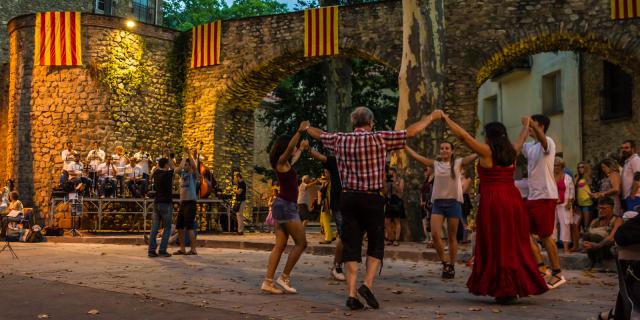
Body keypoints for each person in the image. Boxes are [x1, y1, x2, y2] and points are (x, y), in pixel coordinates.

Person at [305, 106, 442, 310]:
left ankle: (351, 293)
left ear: (354, 123)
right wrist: (431, 117)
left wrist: (307, 127)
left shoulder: (340, 139)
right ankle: (367, 284)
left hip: (348, 197)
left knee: (351, 244)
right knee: (376, 243)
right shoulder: (380, 138)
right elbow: (411, 132)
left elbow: (320, 134)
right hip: (372, 198)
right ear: (371, 122)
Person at [441, 113, 548, 303]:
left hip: (494, 201)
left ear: (489, 136)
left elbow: (463, 136)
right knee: (513, 243)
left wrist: (446, 119)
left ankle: (503, 288)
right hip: (513, 200)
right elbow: (522, 137)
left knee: (495, 242)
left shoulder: (486, 151)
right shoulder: (512, 150)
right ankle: (514, 285)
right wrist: (526, 125)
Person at [404, 143, 477, 279]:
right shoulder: (435, 164)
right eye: (442, 148)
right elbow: (417, 156)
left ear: (451, 151)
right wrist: (405, 146)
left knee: (451, 237)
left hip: (453, 203)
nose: (444, 150)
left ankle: (451, 265)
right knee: (436, 235)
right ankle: (445, 261)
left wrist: (486, 147)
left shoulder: (458, 163)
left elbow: (474, 155)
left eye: (447, 148)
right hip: (438, 203)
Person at [261, 124, 309, 295]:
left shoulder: (284, 163)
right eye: (292, 145)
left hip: (281, 205)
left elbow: (293, 156)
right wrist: (299, 130)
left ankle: (268, 282)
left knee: (280, 246)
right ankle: (284, 277)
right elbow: (290, 149)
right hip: (286, 206)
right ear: (284, 147)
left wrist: (301, 149)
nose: (294, 148)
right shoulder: (281, 161)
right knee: (302, 243)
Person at [522, 114, 565, 289]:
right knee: (522, 231)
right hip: (532, 196)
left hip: (546, 196)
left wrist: (529, 122)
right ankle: (540, 266)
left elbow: (541, 137)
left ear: (541, 126)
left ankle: (558, 273)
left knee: (545, 235)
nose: (530, 127)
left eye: (533, 125)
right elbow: (516, 147)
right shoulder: (529, 146)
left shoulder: (548, 142)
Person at [308, 147, 346, 281]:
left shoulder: (357, 162)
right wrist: (307, 148)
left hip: (355, 202)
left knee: (351, 236)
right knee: (344, 235)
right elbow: (320, 156)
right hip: (340, 204)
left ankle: (344, 265)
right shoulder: (335, 162)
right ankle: (337, 266)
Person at [583, 197, 623, 271]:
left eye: (604, 208)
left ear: (611, 208)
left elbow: (611, 237)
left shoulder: (617, 220)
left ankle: (599, 262)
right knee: (586, 236)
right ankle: (592, 260)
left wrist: (598, 245)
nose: (601, 210)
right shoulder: (596, 221)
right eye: (599, 208)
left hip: (611, 249)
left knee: (595, 237)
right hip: (597, 247)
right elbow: (588, 234)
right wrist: (585, 243)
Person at [148, 157, 175, 258]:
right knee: (167, 227)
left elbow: (153, 172)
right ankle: (162, 250)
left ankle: (151, 251)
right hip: (166, 203)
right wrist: (170, 158)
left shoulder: (156, 173)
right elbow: (176, 168)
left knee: (154, 228)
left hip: (157, 202)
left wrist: (161, 163)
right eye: (168, 164)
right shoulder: (168, 174)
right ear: (166, 165)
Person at [174, 149, 198, 255]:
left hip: (191, 203)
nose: (185, 166)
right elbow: (176, 168)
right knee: (179, 227)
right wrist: (169, 156)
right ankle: (182, 249)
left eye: (186, 165)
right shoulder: (182, 174)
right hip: (183, 203)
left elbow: (194, 166)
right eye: (184, 165)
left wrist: (189, 154)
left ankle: (193, 249)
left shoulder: (192, 174)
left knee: (189, 227)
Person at [554, 157, 575, 254]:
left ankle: (566, 247)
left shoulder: (567, 177)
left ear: (562, 166)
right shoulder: (549, 176)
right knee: (551, 225)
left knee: (565, 225)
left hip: (564, 204)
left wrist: (570, 202)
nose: (555, 167)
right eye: (554, 165)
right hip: (552, 204)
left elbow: (572, 191)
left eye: (557, 165)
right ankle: (553, 246)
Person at [383, 167, 405, 247]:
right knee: (386, 221)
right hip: (389, 201)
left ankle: (396, 239)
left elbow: (400, 190)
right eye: (389, 173)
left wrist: (394, 183)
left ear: (395, 173)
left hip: (397, 202)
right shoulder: (388, 181)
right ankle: (390, 238)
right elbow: (385, 192)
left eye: (392, 173)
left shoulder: (400, 180)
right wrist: (385, 182)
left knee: (397, 221)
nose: (390, 174)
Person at [575, 161, 594, 236]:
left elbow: (593, 189)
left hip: (587, 203)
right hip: (578, 203)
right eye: (579, 167)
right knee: (576, 223)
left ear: (586, 168)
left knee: (586, 225)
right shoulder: (578, 177)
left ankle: (586, 240)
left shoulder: (589, 177)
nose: (580, 169)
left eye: (582, 167)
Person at [317, 170, 336, 244]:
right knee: (322, 221)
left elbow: (328, 195)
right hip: (324, 203)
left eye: (326, 172)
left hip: (327, 204)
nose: (324, 174)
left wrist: (328, 205)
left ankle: (328, 238)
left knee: (325, 221)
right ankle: (332, 235)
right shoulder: (326, 182)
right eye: (324, 172)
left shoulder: (331, 183)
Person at [620, 140, 640, 211]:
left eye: (626, 148)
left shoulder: (635, 159)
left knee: (633, 219)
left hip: (635, 196)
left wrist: (632, 195)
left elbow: (638, 177)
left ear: (633, 148)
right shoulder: (627, 161)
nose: (624, 150)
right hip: (628, 197)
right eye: (622, 148)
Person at [419, 167, 435, 244]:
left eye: (427, 169)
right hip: (424, 203)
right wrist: (421, 201)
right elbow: (421, 192)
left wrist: (427, 202)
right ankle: (427, 237)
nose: (425, 171)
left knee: (430, 220)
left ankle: (432, 238)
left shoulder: (435, 179)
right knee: (425, 220)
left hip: (431, 203)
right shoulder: (426, 179)